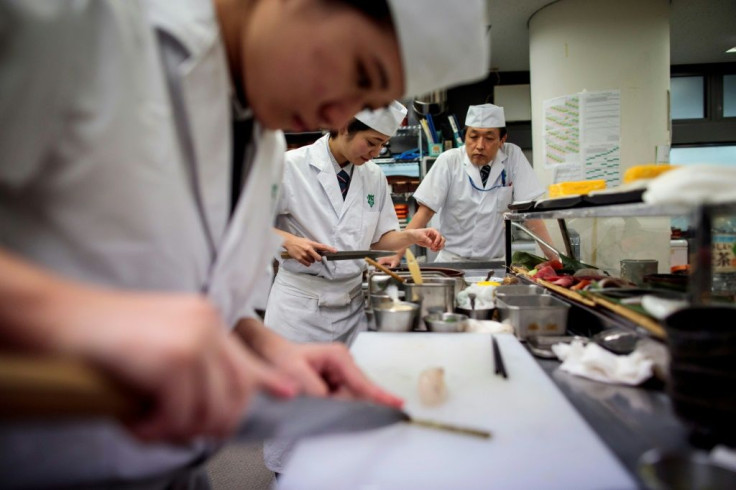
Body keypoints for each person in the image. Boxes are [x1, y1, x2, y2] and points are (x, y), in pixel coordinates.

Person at [0, 0, 489, 488]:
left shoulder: (261, 139)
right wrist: (74, 317)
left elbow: (188, 285)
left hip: (175, 465)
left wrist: (259, 343)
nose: (340, 113)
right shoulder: (70, 22)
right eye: (359, 70)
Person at [265, 101, 444, 346]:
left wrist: (413, 237)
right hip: (298, 310)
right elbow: (247, 224)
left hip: (351, 309)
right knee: (296, 383)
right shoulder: (289, 166)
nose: (376, 152)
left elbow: (380, 241)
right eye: (371, 142)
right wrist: (289, 241)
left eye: (383, 144)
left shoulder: (374, 176)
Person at [385, 104, 555, 264]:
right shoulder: (449, 161)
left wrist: (555, 258)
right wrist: (395, 254)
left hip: (496, 265)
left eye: (489, 138)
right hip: (453, 263)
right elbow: (425, 212)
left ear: (502, 139)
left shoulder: (513, 156)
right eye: (473, 137)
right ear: (464, 136)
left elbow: (531, 215)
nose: (479, 146)